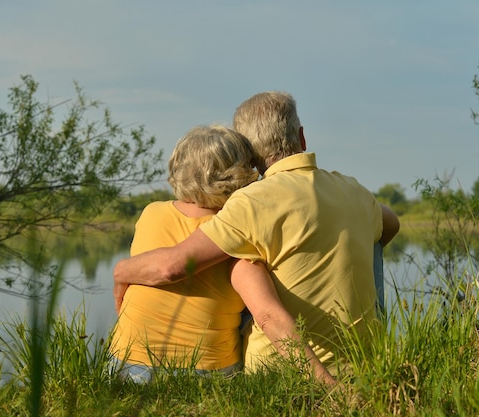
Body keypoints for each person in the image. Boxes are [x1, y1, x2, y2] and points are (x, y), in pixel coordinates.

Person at [113, 92, 400, 378]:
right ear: (301, 137)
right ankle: (367, 346)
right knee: (367, 242)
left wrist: (122, 270)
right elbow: (392, 224)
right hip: (358, 362)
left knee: (247, 258)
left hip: (270, 367)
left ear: (250, 153)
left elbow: (171, 267)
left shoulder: (249, 203)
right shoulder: (355, 191)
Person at [110, 124, 337, 385]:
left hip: (126, 364)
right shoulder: (236, 235)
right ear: (242, 174)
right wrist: (328, 386)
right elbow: (268, 316)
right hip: (206, 373)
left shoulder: (151, 213)